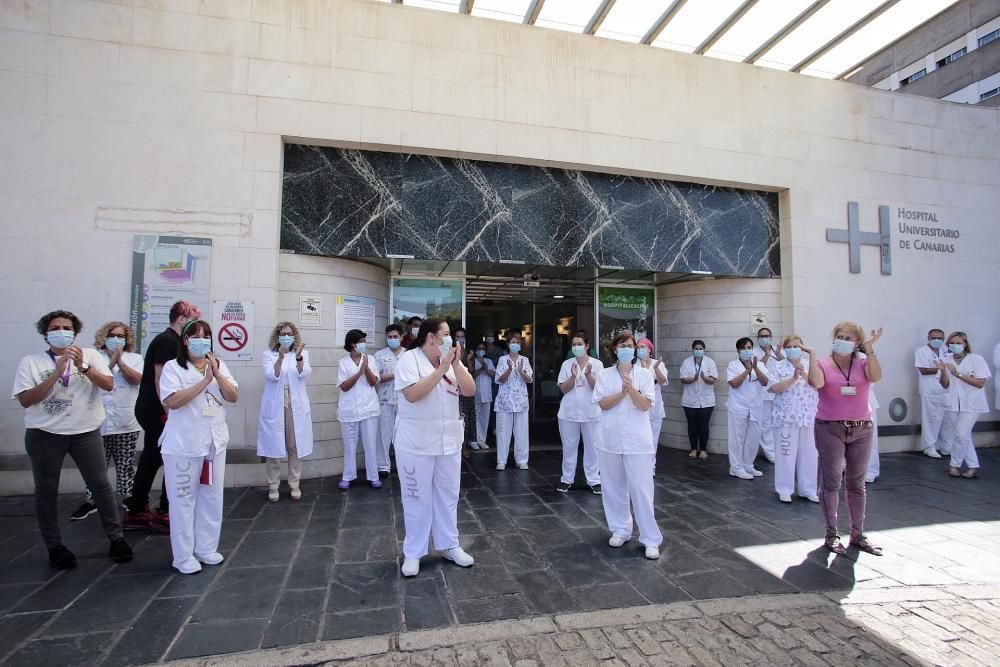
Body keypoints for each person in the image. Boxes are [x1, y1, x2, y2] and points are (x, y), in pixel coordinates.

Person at [13, 310, 133, 568]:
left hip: (85, 432)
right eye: (55, 328)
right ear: (46, 333)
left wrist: (83, 367)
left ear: (75, 332)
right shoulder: (31, 362)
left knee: (101, 486)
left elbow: (109, 385)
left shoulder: (89, 355)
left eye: (67, 327)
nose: (61, 331)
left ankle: (116, 539)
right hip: (45, 434)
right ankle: (54, 546)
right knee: (46, 491)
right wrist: (57, 373)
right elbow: (26, 400)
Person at [395, 318, 477, 577]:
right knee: (416, 498)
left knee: (448, 495)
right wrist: (441, 369)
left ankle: (449, 545)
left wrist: (454, 365)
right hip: (415, 442)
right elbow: (412, 394)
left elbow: (470, 390)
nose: (452, 339)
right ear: (431, 337)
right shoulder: (409, 360)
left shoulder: (452, 362)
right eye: (446, 334)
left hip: (448, 441)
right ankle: (413, 552)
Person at [159, 320, 239, 574]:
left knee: (211, 497)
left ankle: (206, 548)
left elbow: (233, 396)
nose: (201, 340)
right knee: (183, 500)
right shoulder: (174, 368)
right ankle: (183, 556)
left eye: (206, 336)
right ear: (185, 340)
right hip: (184, 445)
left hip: (214, 443)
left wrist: (215, 375)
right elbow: (172, 401)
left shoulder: (219, 365)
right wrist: (204, 382)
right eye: (195, 336)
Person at [808, 321, 883, 557]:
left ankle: (858, 533)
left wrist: (870, 350)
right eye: (839, 336)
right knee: (831, 482)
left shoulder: (863, 363)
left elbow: (876, 376)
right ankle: (832, 533)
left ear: (857, 343)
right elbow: (817, 383)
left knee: (857, 484)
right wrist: (811, 355)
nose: (843, 341)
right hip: (830, 427)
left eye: (849, 338)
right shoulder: (823, 364)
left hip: (862, 428)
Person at [126, 300, 201, 533]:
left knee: (154, 458)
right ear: (181, 319)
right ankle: (160, 509)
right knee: (165, 457)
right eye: (193, 319)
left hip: (158, 410)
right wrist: (169, 412)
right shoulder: (167, 342)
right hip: (158, 411)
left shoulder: (171, 341)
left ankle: (142, 506)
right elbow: (161, 379)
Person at [592, 332, 661, 560]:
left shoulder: (644, 374)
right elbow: (603, 404)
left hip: (637, 441)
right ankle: (620, 529)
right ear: (614, 349)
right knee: (613, 489)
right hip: (610, 440)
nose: (627, 349)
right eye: (623, 346)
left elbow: (645, 406)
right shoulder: (604, 375)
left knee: (641, 491)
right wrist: (621, 393)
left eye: (631, 346)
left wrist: (631, 390)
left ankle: (650, 539)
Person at [71, 322, 144, 521]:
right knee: (95, 465)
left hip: (126, 421)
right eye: (112, 335)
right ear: (104, 336)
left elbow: (137, 379)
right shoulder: (93, 357)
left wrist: (121, 362)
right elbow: (93, 379)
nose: (117, 339)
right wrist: (111, 362)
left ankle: (127, 497)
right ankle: (91, 500)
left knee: (126, 463)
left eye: (121, 336)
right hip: (97, 422)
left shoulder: (135, 358)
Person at [257, 322, 312, 502]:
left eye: (289, 333)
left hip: (295, 405)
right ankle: (273, 486)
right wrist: (280, 357)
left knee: (294, 446)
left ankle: (294, 484)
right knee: (274, 447)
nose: (286, 336)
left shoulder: (302, 354)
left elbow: (304, 374)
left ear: (294, 336)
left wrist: (298, 359)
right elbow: (270, 376)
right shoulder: (268, 354)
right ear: (277, 336)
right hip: (276, 405)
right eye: (283, 333)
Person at [766, 335, 819, 503]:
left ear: (802, 347)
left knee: (810, 455)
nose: (793, 349)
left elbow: (818, 384)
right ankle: (784, 488)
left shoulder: (811, 365)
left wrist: (804, 374)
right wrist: (794, 378)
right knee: (785, 454)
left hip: (809, 417)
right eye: (789, 346)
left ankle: (808, 489)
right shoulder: (777, 366)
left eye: (797, 346)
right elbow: (774, 388)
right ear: (785, 349)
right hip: (785, 418)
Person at [937, 331, 991, 479]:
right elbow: (944, 384)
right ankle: (972, 466)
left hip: (972, 403)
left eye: (958, 343)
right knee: (962, 435)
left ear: (965, 344)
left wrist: (958, 374)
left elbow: (980, 383)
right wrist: (943, 372)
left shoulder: (976, 359)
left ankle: (954, 465)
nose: (955, 346)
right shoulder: (946, 359)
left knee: (961, 434)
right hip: (953, 402)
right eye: (952, 343)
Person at [555, 333, 603, 494]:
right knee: (569, 447)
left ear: (587, 346)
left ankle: (594, 480)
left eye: (579, 344)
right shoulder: (567, 364)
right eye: (574, 344)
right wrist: (573, 377)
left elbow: (600, 388)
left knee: (592, 448)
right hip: (568, 412)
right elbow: (563, 389)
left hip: (591, 412)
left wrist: (588, 375)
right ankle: (566, 479)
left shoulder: (597, 364)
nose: (576, 347)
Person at [337, 329, 381, 489]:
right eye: (360, 341)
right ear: (352, 344)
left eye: (364, 341)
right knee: (349, 445)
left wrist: (366, 368)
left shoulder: (371, 359)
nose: (363, 344)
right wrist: (358, 373)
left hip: (369, 408)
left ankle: (373, 476)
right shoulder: (343, 362)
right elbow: (344, 386)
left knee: (370, 444)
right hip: (349, 409)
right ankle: (348, 477)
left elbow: (373, 382)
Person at [726, 337, 769, 480]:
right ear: (738, 350)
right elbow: (734, 384)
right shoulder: (733, 365)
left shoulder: (760, 365)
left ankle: (748, 465)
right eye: (743, 348)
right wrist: (747, 371)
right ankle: (736, 468)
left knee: (753, 438)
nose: (746, 350)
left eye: (749, 347)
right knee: (737, 439)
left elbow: (765, 382)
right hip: (738, 407)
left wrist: (755, 368)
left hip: (755, 407)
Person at [494, 332, 533, 470]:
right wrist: (510, 370)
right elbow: (499, 379)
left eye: (517, 343)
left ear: (520, 345)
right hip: (505, 402)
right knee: (503, 432)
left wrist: (521, 371)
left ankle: (522, 460)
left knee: (521, 432)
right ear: (508, 344)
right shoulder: (502, 360)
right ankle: (501, 461)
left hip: (521, 402)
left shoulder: (525, 360)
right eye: (512, 342)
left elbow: (529, 380)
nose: (515, 345)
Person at [914, 329, 950, 458]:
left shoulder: (946, 350)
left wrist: (944, 369)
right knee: (931, 420)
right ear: (928, 337)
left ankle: (946, 446)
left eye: (940, 338)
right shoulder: (922, 351)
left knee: (947, 420)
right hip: (930, 390)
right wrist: (941, 368)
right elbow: (923, 370)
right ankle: (929, 447)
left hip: (946, 390)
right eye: (934, 337)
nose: (937, 340)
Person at [374, 323, 404, 476]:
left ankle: (403, 464)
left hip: (404, 401)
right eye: (390, 337)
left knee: (403, 435)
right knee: (383, 434)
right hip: (384, 400)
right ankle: (383, 466)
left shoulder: (408, 354)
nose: (392, 339)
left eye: (395, 337)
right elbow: (376, 378)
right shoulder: (380, 355)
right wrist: (395, 374)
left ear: (401, 337)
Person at [680, 340, 717, 458]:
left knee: (704, 425)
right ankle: (693, 449)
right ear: (692, 349)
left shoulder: (710, 362)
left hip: (706, 401)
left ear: (704, 350)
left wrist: (704, 377)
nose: (698, 351)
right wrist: (693, 379)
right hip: (689, 400)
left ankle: (703, 450)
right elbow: (682, 379)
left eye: (700, 349)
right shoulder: (686, 362)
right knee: (692, 425)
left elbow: (713, 380)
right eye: (696, 348)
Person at [636, 338, 668, 470]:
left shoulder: (658, 364)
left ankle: (650, 467)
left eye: (643, 347)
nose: (640, 350)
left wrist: (655, 369)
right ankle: (640, 465)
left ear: (650, 349)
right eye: (638, 347)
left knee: (653, 439)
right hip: (639, 408)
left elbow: (663, 381)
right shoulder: (635, 365)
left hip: (656, 408)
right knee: (640, 439)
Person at [754, 328, 781, 464]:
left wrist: (775, 353)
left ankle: (781, 451)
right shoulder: (754, 351)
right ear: (758, 338)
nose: (764, 338)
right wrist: (766, 354)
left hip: (779, 392)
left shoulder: (778, 349)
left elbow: (786, 363)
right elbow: (757, 368)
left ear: (771, 336)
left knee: (778, 422)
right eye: (762, 336)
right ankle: (770, 453)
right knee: (765, 424)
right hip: (763, 392)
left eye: (767, 335)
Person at [454, 327, 476, 455]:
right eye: (457, 336)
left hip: (466, 393)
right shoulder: (451, 352)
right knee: (456, 418)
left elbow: (472, 371)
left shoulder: (469, 353)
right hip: (454, 392)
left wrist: (468, 359)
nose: (460, 339)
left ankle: (464, 446)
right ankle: (456, 446)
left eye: (462, 337)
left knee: (465, 419)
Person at [469, 342, 495, 450]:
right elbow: (471, 375)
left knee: (484, 419)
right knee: (475, 418)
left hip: (487, 394)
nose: (481, 350)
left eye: (483, 348)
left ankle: (482, 440)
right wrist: (481, 369)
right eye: (479, 348)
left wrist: (487, 369)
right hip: (476, 394)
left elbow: (494, 374)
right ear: (475, 350)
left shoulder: (488, 361)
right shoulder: (472, 361)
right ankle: (473, 440)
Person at [865, 388, 880, 484]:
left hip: (864, 395)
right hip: (841, 394)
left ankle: (870, 469)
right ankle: (844, 464)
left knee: (868, 434)